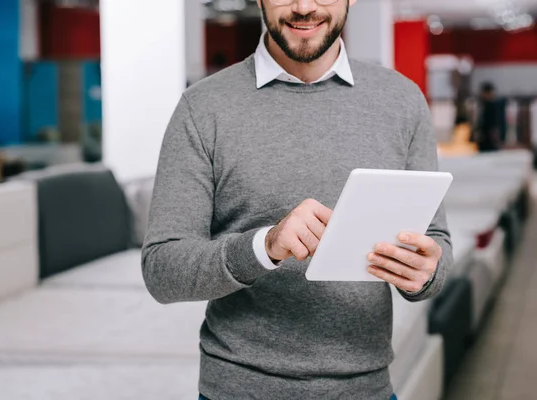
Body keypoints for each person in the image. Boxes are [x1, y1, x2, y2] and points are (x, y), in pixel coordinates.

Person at [142, 0, 453, 398]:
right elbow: (162, 271)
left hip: (367, 389)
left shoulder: (402, 101)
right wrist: (264, 246)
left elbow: (436, 243)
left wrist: (424, 273)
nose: (305, 7)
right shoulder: (202, 108)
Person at [475, 81, 504, 152]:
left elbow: (494, 124)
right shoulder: (484, 105)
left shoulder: (492, 106)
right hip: (485, 139)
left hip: (489, 140)